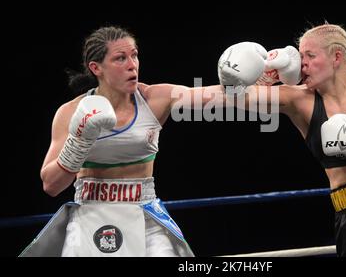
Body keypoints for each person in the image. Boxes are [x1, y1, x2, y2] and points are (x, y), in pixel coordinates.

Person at [217, 23, 346, 257]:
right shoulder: (298, 100)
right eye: (300, 56)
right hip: (345, 214)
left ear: (336, 56)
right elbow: (224, 99)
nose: (302, 63)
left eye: (310, 55)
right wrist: (249, 77)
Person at [20, 26, 225, 257]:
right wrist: (79, 142)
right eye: (120, 58)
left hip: (144, 213)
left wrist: (253, 77)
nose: (132, 64)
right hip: (89, 213)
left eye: (134, 55)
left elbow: (224, 96)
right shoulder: (70, 113)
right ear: (96, 68)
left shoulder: (154, 99)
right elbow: (51, 185)